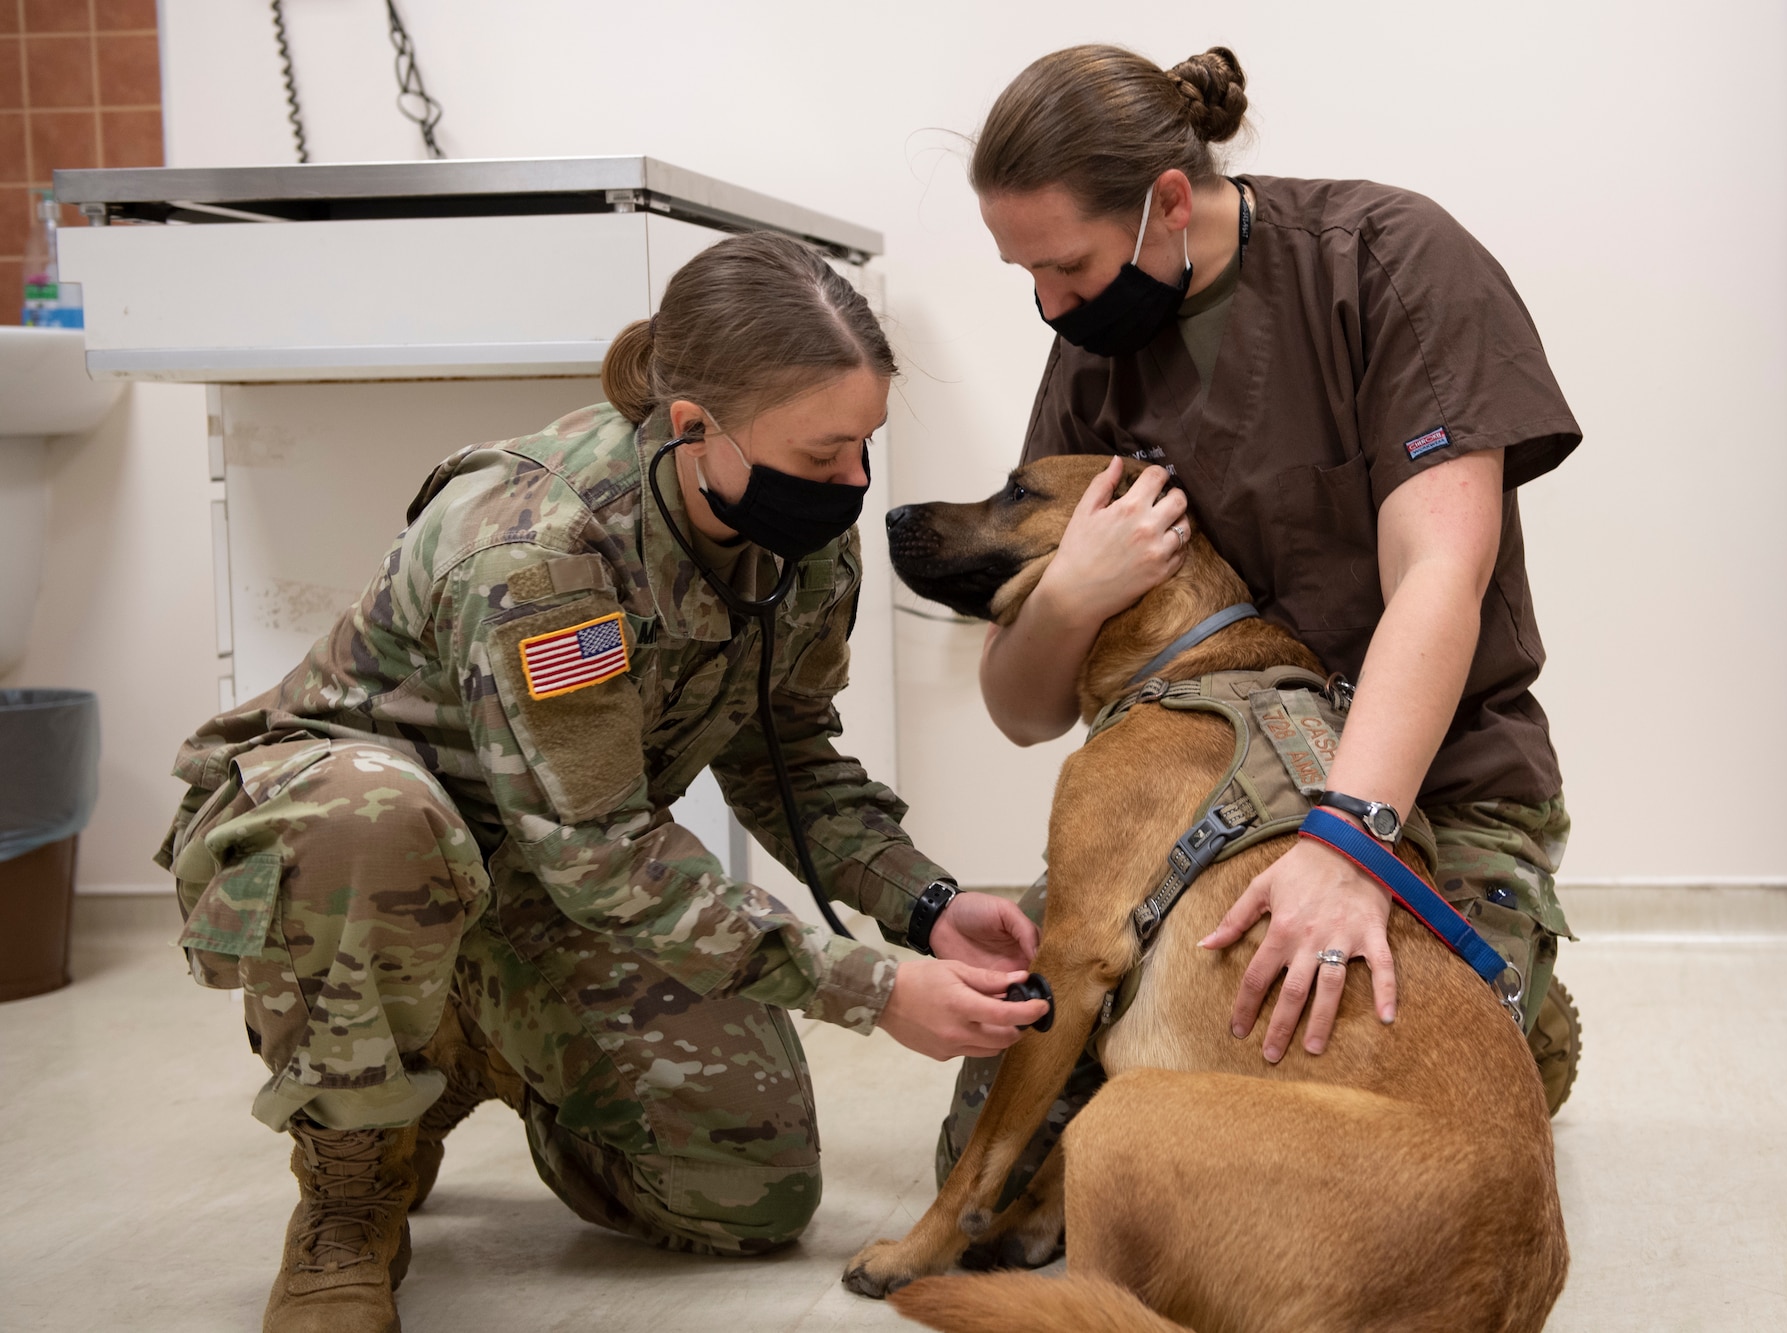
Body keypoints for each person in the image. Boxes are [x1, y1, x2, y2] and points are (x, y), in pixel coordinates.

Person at [156, 232, 1046, 1333]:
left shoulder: (801, 544)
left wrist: (926, 903)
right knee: (371, 817)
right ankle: (348, 1185)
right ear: (692, 427)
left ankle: (467, 1036)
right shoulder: (537, 548)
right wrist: (871, 991)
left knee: (747, 1195)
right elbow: (602, 848)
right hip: (350, 847)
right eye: (823, 455)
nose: (852, 485)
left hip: (543, 870)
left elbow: (787, 755)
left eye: (863, 446)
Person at [936, 44, 1583, 1196]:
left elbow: (1440, 569)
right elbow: (1021, 709)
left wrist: (1348, 843)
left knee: (1380, 1114)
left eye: (1068, 267)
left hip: (1429, 781)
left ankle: (1521, 1005)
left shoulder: (1385, 262)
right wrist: (1075, 589)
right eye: (1022, 274)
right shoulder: (1091, 353)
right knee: (1022, 1172)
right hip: (1204, 804)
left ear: (1169, 205)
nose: (1049, 305)